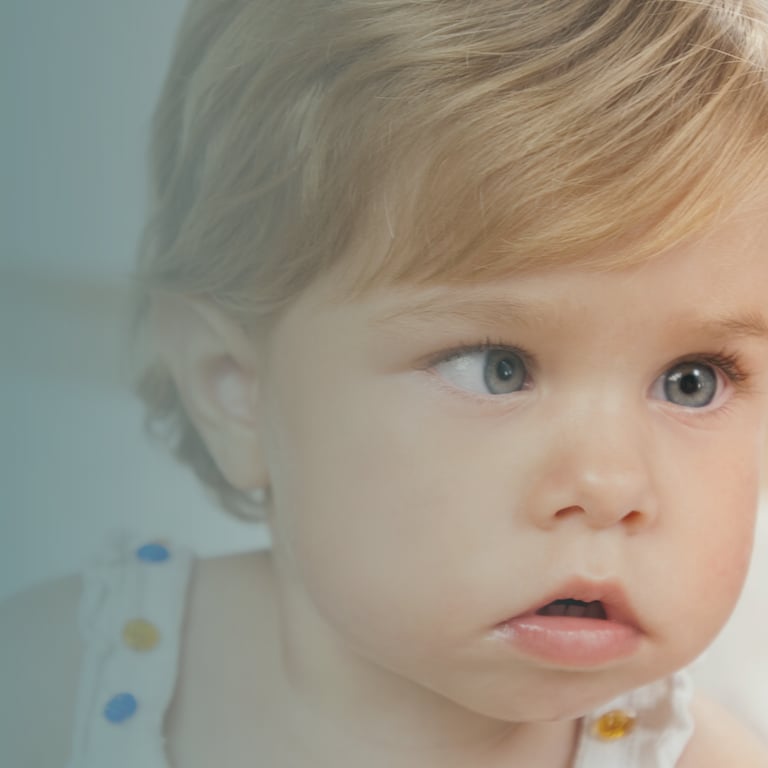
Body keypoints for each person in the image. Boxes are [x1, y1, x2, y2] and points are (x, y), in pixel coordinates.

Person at [4, 0, 768, 765]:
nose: (610, 485)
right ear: (235, 387)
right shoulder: (57, 681)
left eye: (692, 381)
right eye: (498, 369)